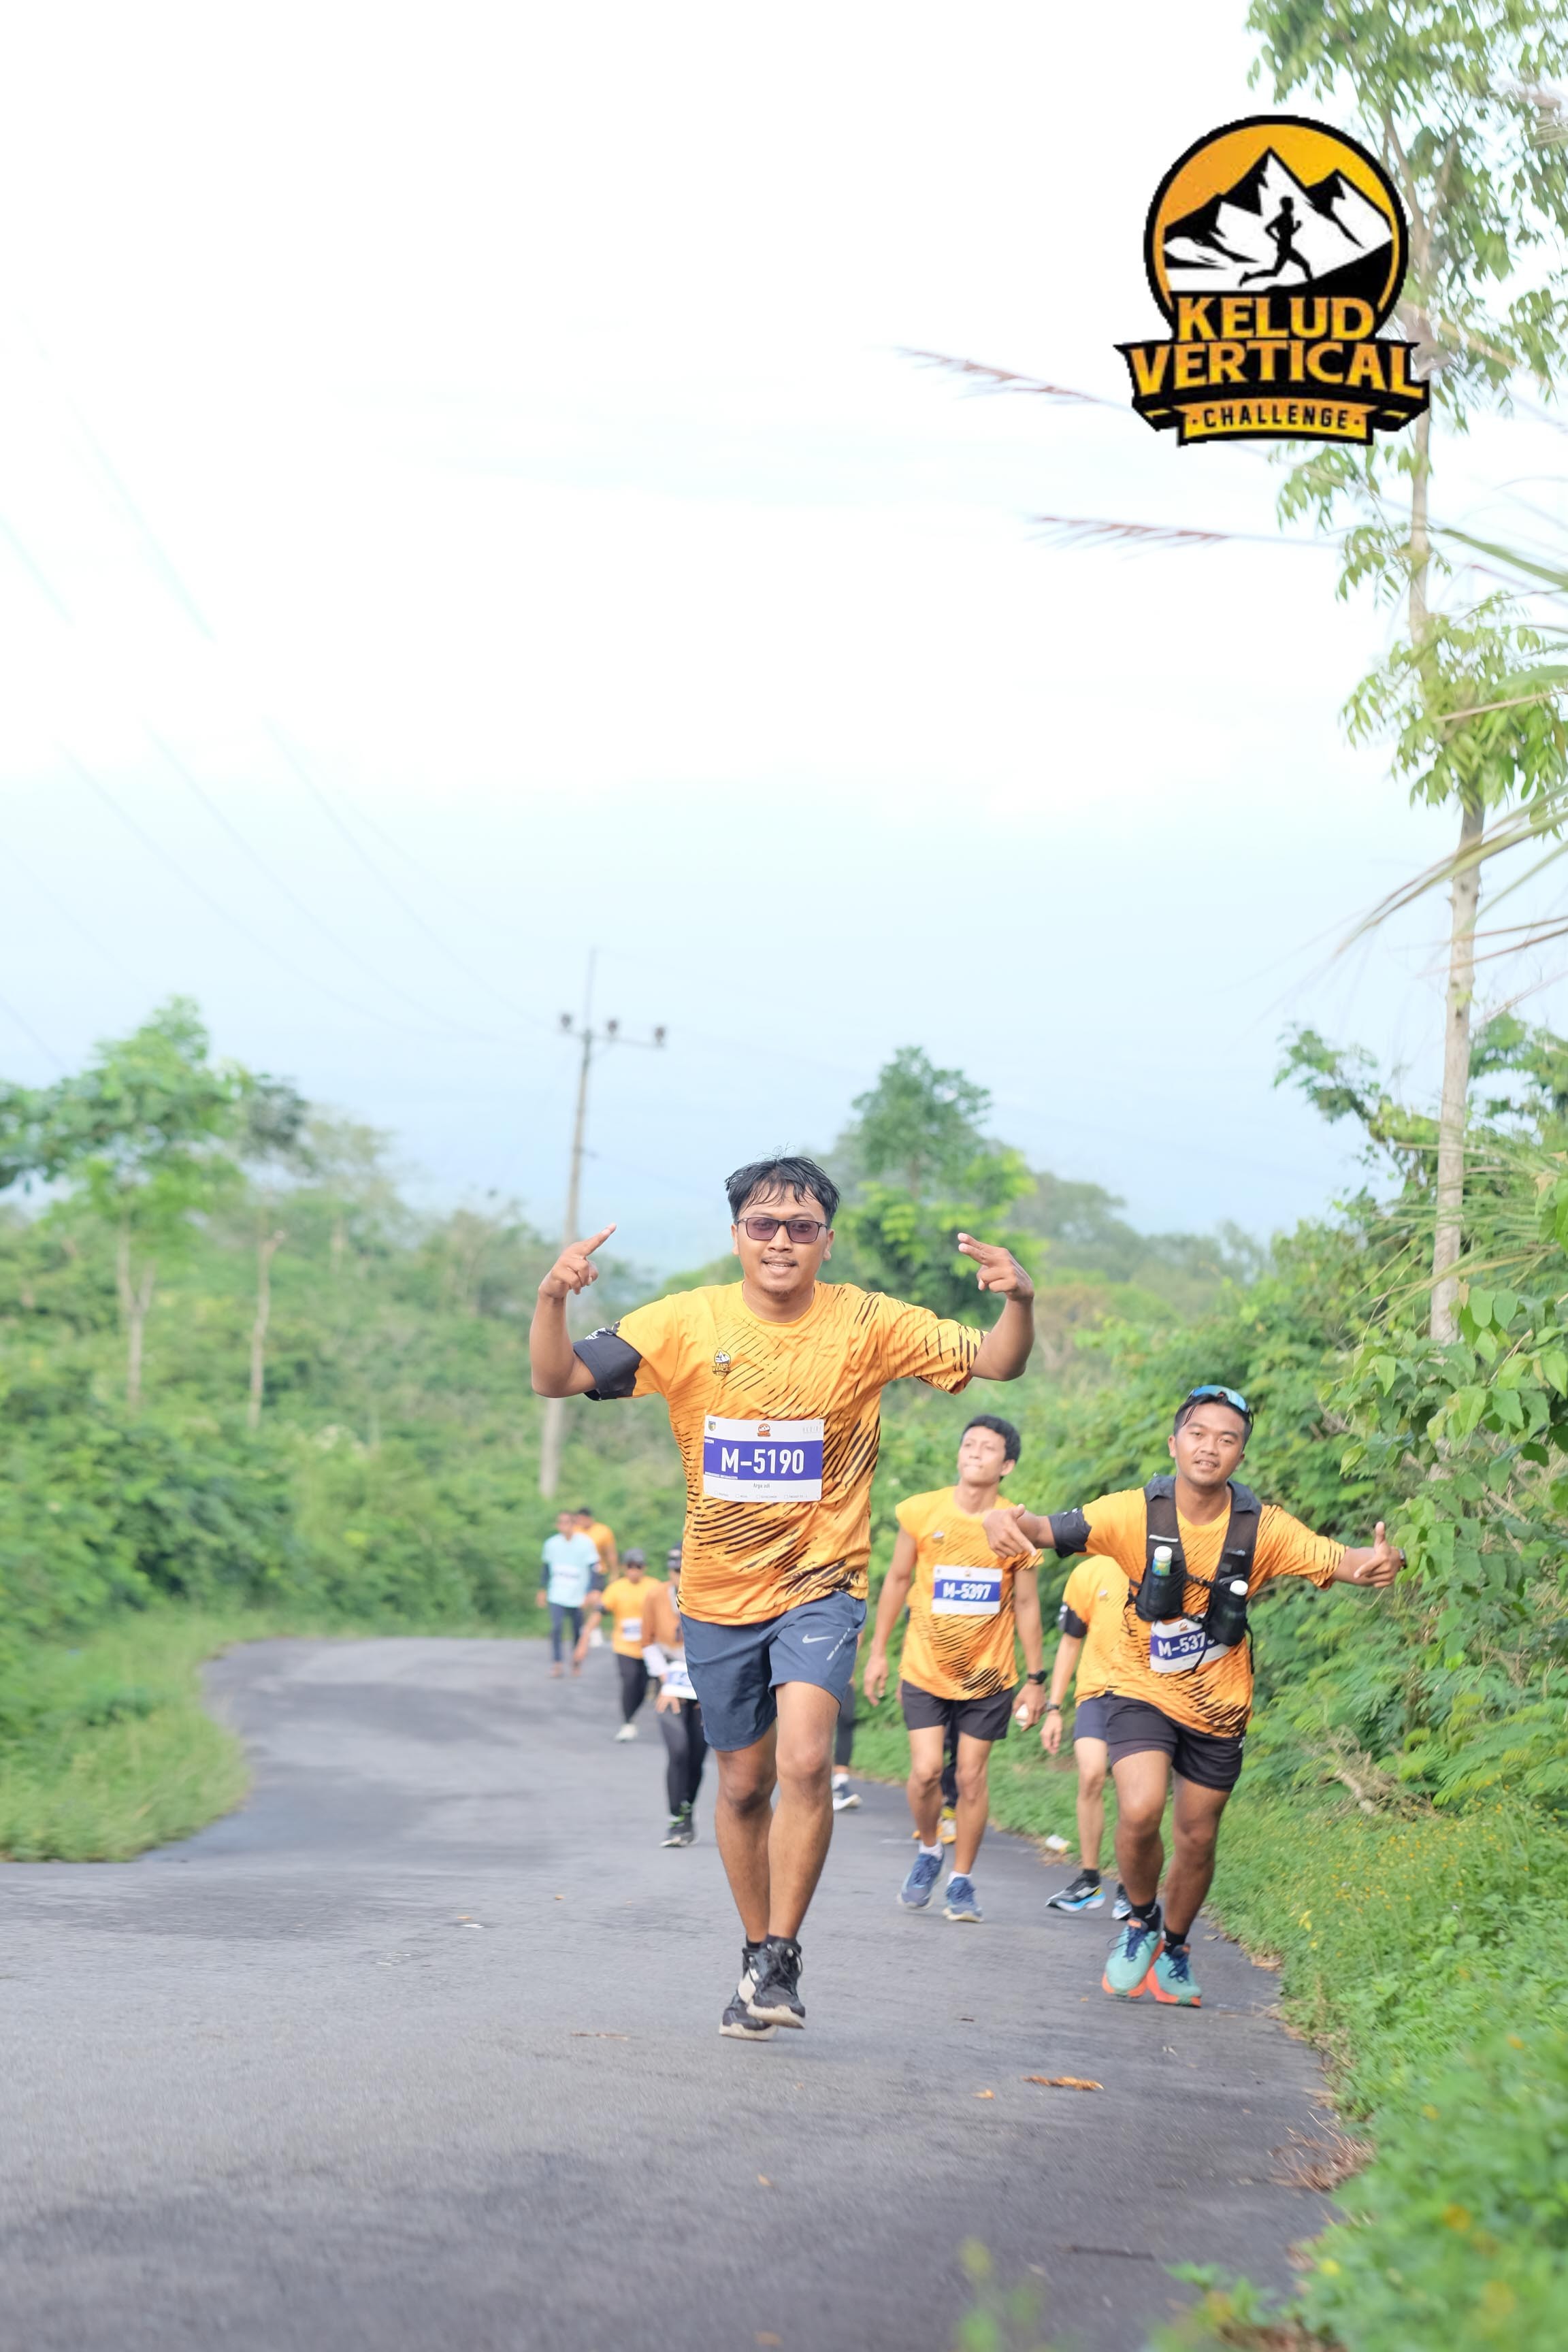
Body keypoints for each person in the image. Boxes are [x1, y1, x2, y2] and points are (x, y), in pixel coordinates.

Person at [528, 1153, 1034, 2042]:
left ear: (826, 1243)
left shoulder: (868, 1323)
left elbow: (998, 1360)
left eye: (802, 1228)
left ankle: (781, 1956)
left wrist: (1018, 1300)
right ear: (737, 1237)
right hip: (718, 1594)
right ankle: (754, 1946)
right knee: (742, 1784)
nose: (781, 1242)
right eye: (763, 1225)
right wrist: (551, 1300)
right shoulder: (683, 1322)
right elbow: (557, 1377)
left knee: (804, 1761)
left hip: (821, 1584)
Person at [983, 1384, 1403, 2007]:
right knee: (1140, 1808)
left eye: (1226, 1439)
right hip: (1138, 1688)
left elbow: (1345, 1560)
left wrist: (1385, 1559)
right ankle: (1140, 1921)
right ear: (1174, 1443)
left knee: (1198, 1836)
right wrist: (999, 1518)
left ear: (1241, 1456)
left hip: (1219, 1706)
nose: (1210, 1448)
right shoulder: (1133, 1513)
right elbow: (1041, 1527)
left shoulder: (1264, 1528)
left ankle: (1176, 1948)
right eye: (1198, 1434)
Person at [864, 1414, 1045, 1923]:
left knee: (970, 1776)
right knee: (925, 1772)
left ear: (1007, 1465)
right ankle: (929, 1850)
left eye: (988, 1448)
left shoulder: (1015, 1524)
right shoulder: (922, 1510)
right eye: (969, 1444)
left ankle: (962, 1881)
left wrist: (1036, 1680)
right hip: (925, 1668)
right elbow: (898, 1580)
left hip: (988, 1675)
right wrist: (878, 1652)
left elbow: (1026, 1605)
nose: (975, 1453)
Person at [1042, 1554, 1132, 1918]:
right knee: (1092, 1774)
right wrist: (1053, 1708)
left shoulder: (1164, 1560)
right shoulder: (1091, 1571)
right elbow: (1070, 1642)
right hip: (1096, 1693)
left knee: (1132, 1789)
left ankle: (1130, 1887)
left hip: (1143, 1696)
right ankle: (1090, 1880)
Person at [644, 1547, 708, 1846]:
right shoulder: (655, 1597)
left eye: (684, 1571)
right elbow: (647, 1642)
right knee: (679, 1749)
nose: (679, 1576)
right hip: (670, 1681)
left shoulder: (709, 1594)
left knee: (697, 1755)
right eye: (675, 1571)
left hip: (703, 1682)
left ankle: (687, 1811)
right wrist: (666, 1679)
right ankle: (674, 1819)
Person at [580, 1548, 664, 1739]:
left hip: (649, 1647)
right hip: (624, 1646)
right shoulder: (616, 1588)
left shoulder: (654, 1586)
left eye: (638, 1566)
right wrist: (585, 1636)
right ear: (625, 1568)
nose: (634, 1570)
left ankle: (634, 1713)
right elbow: (600, 1612)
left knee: (642, 1686)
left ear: (644, 1568)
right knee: (629, 1680)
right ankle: (628, 1722)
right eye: (631, 1566)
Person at [536, 1509, 601, 1678]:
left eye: (567, 1522)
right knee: (556, 1627)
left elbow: (594, 1569)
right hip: (557, 1593)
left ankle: (576, 1661)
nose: (563, 1526)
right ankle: (557, 1663)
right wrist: (542, 1589)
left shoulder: (585, 1543)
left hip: (577, 1595)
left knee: (576, 1629)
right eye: (561, 1522)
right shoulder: (551, 1544)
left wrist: (591, 1591)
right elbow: (546, 1568)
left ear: (574, 1524)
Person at [574, 1508, 619, 1646]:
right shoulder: (576, 1531)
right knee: (581, 1601)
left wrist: (614, 1572)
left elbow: (611, 1553)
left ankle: (595, 1628)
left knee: (595, 1598)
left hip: (598, 1570)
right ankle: (583, 1628)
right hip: (580, 1572)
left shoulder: (603, 1531)